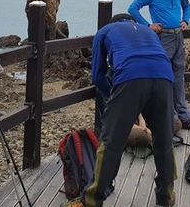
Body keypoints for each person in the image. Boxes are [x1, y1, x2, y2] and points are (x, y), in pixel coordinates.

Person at [72, 13, 176, 207]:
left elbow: (97, 74)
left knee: (111, 141)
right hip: (164, 77)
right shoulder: (148, 31)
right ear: (132, 23)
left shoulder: (104, 31)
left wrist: (113, 94)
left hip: (130, 76)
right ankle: (166, 196)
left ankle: (92, 199)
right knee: (164, 140)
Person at [128, 0, 190, 132]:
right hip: (162, 39)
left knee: (179, 77)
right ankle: (170, 117)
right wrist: (148, 26)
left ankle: (185, 117)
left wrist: (185, 20)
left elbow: (187, 6)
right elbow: (132, 8)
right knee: (164, 78)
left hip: (178, 37)